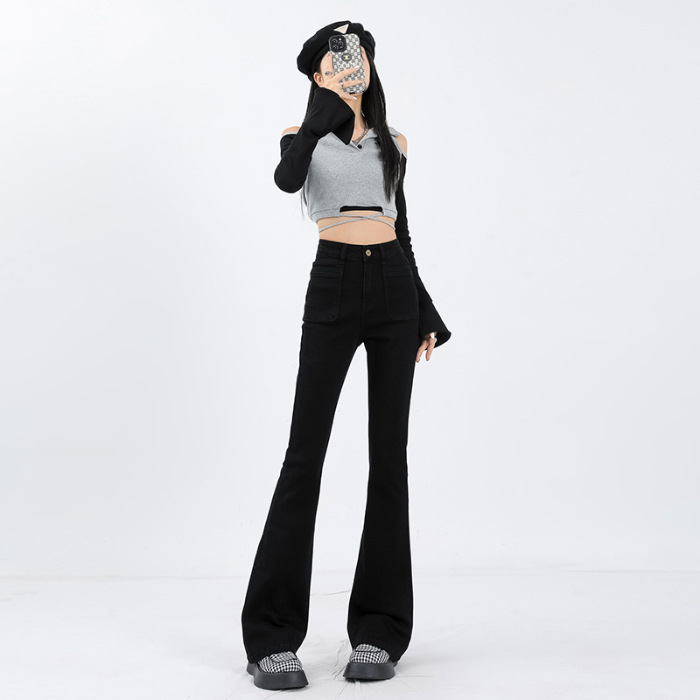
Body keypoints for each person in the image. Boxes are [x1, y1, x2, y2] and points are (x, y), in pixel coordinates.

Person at [241, 20, 452, 691]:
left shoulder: (395, 144)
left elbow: (401, 228)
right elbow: (287, 181)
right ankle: (272, 638)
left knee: (389, 460)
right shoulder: (298, 137)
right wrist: (319, 115)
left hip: (392, 289)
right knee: (304, 456)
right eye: (335, 58)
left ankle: (379, 631)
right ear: (318, 72)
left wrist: (424, 311)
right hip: (332, 282)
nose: (348, 64)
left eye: (357, 54)